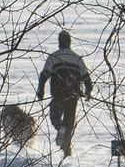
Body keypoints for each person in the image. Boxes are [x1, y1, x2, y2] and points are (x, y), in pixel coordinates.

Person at [36, 29, 93, 157]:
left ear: (59, 42)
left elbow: (44, 75)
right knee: (70, 123)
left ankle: (59, 126)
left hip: (58, 93)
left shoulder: (53, 57)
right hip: (73, 95)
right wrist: (88, 91)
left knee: (54, 116)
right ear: (69, 42)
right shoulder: (77, 58)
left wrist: (41, 90)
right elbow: (86, 77)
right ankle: (67, 150)